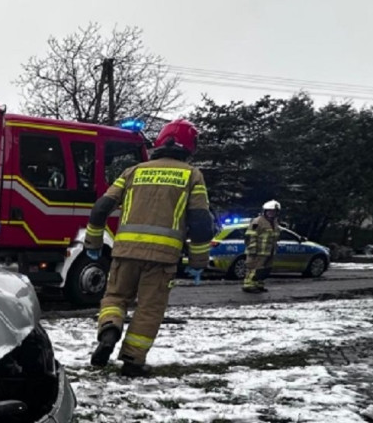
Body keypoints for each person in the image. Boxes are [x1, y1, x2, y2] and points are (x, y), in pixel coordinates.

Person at [84, 119, 214, 377]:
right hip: (162, 258)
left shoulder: (133, 172)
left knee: (115, 298)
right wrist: (198, 263)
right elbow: (201, 223)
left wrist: (94, 243)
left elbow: (100, 209)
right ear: (189, 147)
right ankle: (132, 360)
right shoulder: (192, 175)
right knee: (149, 308)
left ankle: (109, 331)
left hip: (124, 252)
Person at [242, 200, 281, 293]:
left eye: (273, 212)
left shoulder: (274, 222)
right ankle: (249, 285)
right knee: (254, 268)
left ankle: (259, 284)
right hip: (258, 251)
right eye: (269, 211)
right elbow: (250, 235)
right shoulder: (258, 221)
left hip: (269, 251)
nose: (271, 213)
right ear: (265, 211)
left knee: (264, 270)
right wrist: (252, 249)